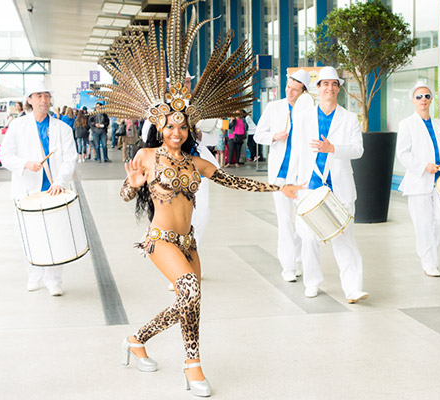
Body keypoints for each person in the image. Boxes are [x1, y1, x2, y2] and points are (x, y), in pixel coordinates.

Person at [104, 14, 300, 394]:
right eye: (171, 126)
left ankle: (137, 339)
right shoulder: (145, 156)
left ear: (189, 129)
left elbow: (237, 181)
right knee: (191, 291)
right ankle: (193, 366)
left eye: (183, 127)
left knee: (191, 302)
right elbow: (126, 196)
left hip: (188, 242)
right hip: (159, 239)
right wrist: (132, 185)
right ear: (161, 127)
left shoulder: (198, 163)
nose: (177, 132)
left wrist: (280, 188)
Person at [284, 67, 370, 303]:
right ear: (318, 88)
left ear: (339, 89)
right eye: (325, 84)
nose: (329, 88)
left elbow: (358, 150)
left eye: (334, 84)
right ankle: (312, 283)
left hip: (339, 188)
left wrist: (334, 149)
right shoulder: (303, 118)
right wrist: (290, 183)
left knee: (344, 239)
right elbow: (296, 152)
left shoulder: (350, 118)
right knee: (309, 238)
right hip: (309, 186)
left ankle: (352, 289)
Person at [2, 81, 79, 296]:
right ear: (29, 100)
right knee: (28, 235)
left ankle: (54, 281)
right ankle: (34, 275)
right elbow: (6, 156)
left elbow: (69, 159)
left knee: (56, 235)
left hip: (53, 190)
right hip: (25, 190)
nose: (44, 100)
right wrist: (26, 164)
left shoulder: (62, 128)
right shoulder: (18, 126)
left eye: (46, 96)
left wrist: (59, 182)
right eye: (38, 96)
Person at [394, 81, 440, 278]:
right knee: (423, 225)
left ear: (431, 99)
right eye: (419, 97)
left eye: (427, 96)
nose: (423, 100)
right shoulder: (407, 124)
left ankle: (429, 254)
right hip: (419, 182)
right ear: (413, 100)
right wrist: (423, 166)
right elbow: (402, 153)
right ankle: (429, 263)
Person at [261, 70, 311, 283]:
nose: (289, 92)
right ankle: (288, 266)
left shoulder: (310, 110)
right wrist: (274, 136)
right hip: (280, 176)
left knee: (302, 221)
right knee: (285, 221)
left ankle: (298, 260)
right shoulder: (274, 107)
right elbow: (258, 134)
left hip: (301, 176)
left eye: (294, 89)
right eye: (288, 87)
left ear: (303, 92)